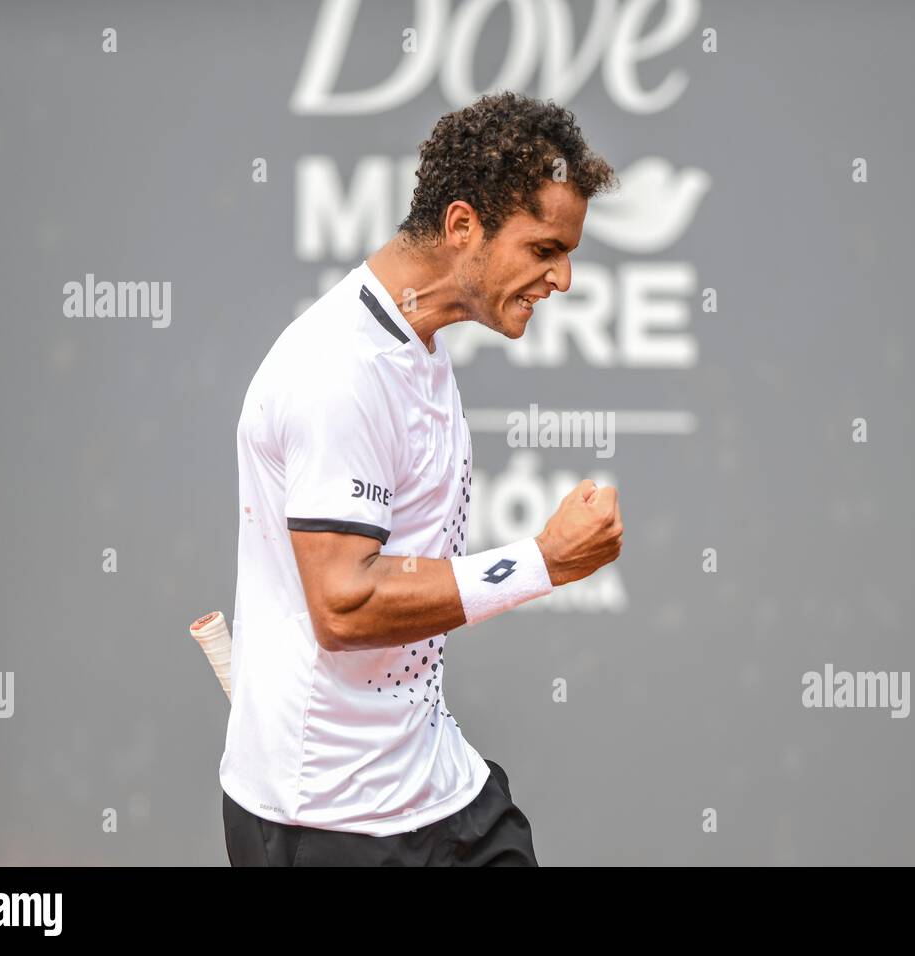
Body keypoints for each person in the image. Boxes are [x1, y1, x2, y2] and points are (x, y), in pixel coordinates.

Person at [219, 91, 622, 866]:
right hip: (330, 823)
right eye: (544, 249)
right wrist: (542, 562)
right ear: (463, 225)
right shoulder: (340, 370)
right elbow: (346, 603)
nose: (564, 278)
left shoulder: (415, 342)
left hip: (435, 788)